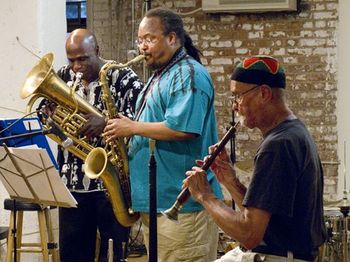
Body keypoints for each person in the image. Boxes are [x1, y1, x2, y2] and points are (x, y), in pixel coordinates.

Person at [103, 7, 223, 262]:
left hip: (182, 209)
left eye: (149, 39)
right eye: (140, 40)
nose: (142, 47)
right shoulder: (161, 76)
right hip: (160, 206)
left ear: (172, 38)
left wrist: (132, 127)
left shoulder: (188, 74)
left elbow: (184, 128)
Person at [184, 55, 327, 262]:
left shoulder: (278, 145)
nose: (235, 106)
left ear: (264, 93)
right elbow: (264, 218)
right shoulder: (294, 132)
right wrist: (230, 180)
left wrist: (205, 196)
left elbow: (250, 235)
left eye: (238, 96)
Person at [39, 28, 144, 262]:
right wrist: (50, 115)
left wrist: (105, 122)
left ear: (97, 51)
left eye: (83, 59)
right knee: (73, 253)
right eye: (72, 60)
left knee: (113, 253)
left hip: (112, 184)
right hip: (72, 181)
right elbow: (43, 112)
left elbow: (139, 121)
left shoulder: (123, 77)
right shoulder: (63, 75)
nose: (77, 66)